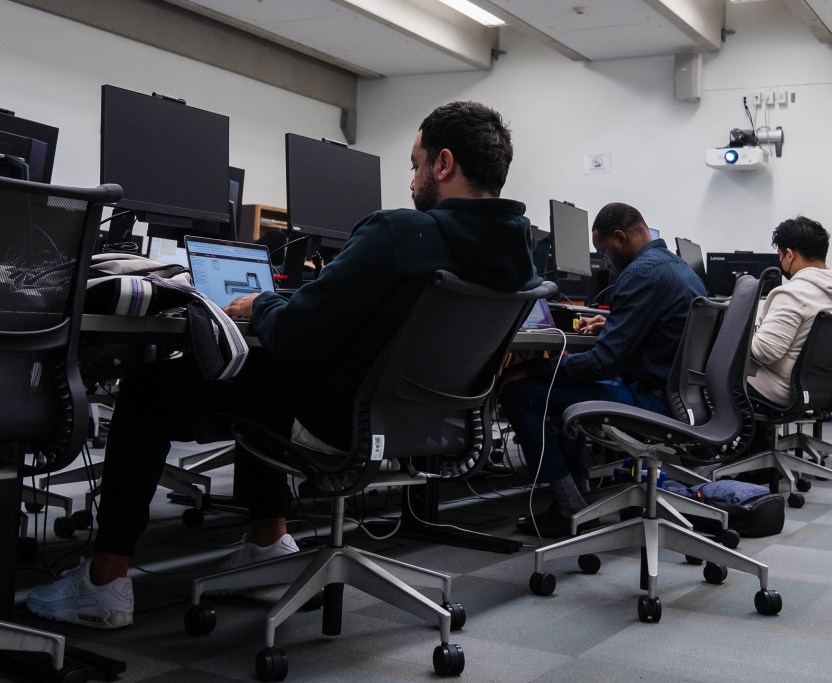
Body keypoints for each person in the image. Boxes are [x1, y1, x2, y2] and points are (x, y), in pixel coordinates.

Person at [26, 101, 540, 629]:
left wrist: (262, 303)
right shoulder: (521, 259)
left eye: (415, 164)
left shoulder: (399, 233)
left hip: (336, 422)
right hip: (427, 426)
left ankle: (106, 582)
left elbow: (295, 335)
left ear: (444, 164)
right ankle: (267, 541)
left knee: (150, 388)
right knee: (268, 373)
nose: (412, 181)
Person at [500, 202, 707, 538]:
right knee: (563, 389)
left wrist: (536, 368)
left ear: (621, 238)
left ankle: (571, 509)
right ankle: (580, 498)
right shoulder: (680, 269)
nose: (605, 261)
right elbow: (660, 332)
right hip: (678, 398)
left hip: (652, 402)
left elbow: (602, 363)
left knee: (516, 392)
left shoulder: (639, 274)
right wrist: (613, 325)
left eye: (604, 251)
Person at [748, 216, 832, 409]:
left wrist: (739, 337)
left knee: (714, 369)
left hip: (780, 390)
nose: (780, 261)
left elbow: (765, 352)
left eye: (780, 256)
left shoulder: (793, 294)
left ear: (789, 255)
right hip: (823, 391)